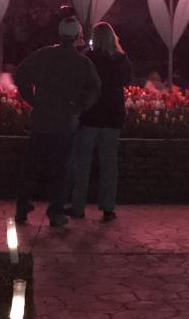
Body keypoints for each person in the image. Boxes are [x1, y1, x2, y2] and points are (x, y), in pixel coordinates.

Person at [13, 17, 100, 227]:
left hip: (41, 119)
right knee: (61, 169)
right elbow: (95, 89)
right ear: (78, 36)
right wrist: (78, 107)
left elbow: (20, 74)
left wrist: (32, 99)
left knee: (31, 167)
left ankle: (22, 207)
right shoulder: (82, 63)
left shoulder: (43, 55)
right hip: (65, 122)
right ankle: (56, 212)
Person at [67, 22, 133, 222]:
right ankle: (107, 208)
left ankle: (78, 206)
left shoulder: (89, 58)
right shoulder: (121, 59)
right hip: (112, 117)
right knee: (109, 164)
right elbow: (127, 81)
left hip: (90, 115)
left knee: (82, 163)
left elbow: (79, 82)